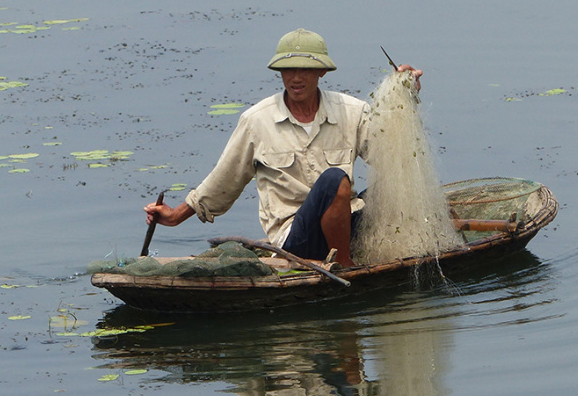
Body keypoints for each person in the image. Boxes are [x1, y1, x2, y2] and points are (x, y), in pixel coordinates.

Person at [144, 28, 422, 267]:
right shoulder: (257, 121)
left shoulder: (352, 111)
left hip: (346, 226)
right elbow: (223, 180)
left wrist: (403, 98)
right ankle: (344, 266)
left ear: (322, 71)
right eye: (289, 69)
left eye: (305, 70)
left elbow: (392, 157)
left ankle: (428, 239)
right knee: (334, 180)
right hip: (296, 241)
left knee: (392, 188)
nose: (296, 78)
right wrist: (176, 215)